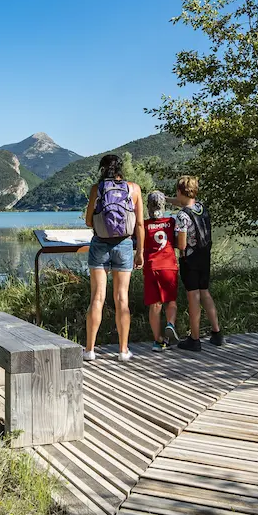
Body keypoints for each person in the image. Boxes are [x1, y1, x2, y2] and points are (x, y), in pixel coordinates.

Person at [84, 154, 144, 362]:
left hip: (100, 244)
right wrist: (140, 252)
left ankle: (90, 350)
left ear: (102, 169)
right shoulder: (134, 188)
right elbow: (139, 225)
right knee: (122, 298)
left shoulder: (97, 189)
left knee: (97, 298)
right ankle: (123, 350)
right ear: (121, 168)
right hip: (125, 245)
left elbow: (88, 222)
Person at [173, 176, 221, 351]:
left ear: (179, 191)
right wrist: (168, 199)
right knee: (205, 292)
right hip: (204, 256)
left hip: (190, 260)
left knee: (193, 296)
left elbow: (182, 244)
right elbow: (184, 204)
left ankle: (194, 338)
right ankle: (217, 333)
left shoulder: (181, 216)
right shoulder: (200, 207)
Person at [142, 191, 179, 351]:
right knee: (171, 301)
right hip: (169, 266)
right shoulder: (171, 222)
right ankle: (170, 323)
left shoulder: (144, 225)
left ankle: (158, 341)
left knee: (155, 305)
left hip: (152, 267)